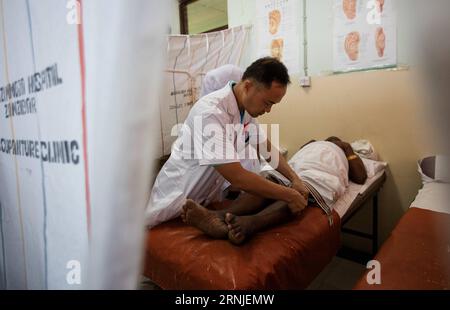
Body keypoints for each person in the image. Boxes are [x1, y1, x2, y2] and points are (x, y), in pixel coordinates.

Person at [146, 57, 309, 240]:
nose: (268, 110)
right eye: (267, 103)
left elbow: (266, 149)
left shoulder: (244, 110)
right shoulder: (210, 113)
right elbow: (237, 177)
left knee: (268, 190)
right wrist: (289, 195)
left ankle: (216, 218)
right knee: (270, 190)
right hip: (178, 199)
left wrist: (295, 179)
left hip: (207, 198)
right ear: (247, 86)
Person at [181, 136, 367, 245]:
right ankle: (218, 216)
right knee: (269, 183)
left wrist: (346, 147)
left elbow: (360, 177)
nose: (332, 139)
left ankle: (250, 223)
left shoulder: (343, 151)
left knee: (302, 192)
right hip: (299, 166)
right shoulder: (313, 142)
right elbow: (296, 156)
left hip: (321, 172)